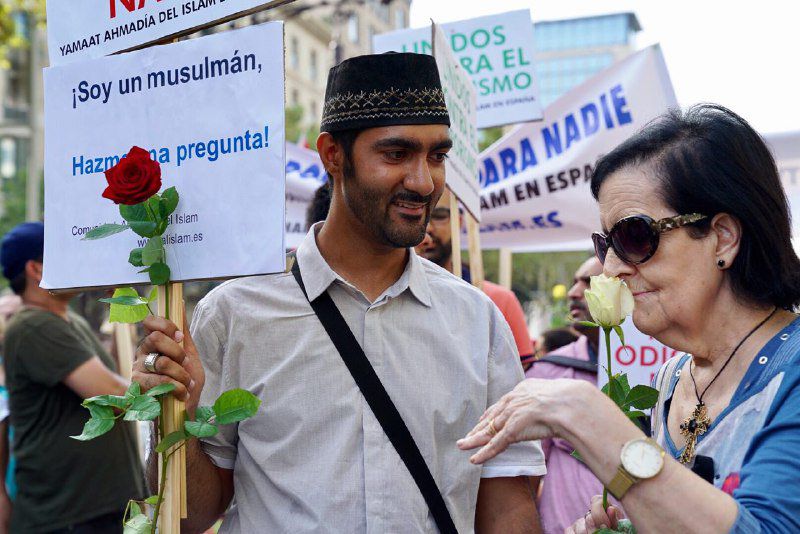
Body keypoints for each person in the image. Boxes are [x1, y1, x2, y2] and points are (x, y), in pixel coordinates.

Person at [134, 52, 545, 533]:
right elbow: (187, 519)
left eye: (436, 156)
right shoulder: (234, 315)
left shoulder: (477, 320)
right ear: (333, 155)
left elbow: (507, 504)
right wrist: (175, 418)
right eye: (396, 154)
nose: (423, 181)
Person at [458, 104, 800, 533]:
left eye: (634, 236)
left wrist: (585, 413)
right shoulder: (673, 377)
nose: (612, 267)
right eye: (606, 245)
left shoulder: (792, 369)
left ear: (722, 237)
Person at [0, 222, 145, 532]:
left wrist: (122, 304)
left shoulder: (69, 321)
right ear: (36, 268)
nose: (80, 262)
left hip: (90, 513)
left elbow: (121, 377)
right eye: (67, 254)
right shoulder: (34, 326)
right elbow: (118, 398)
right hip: (69, 518)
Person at [524, 257, 620, 533]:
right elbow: (526, 473)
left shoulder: (663, 370)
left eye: (590, 283)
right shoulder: (547, 372)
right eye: (575, 282)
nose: (574, 292)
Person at [416, 197, 535, 366]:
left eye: (439, 215)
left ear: (459, 222)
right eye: (415, 212)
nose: (427, 228)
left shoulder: (498, 300)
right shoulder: (385, 296)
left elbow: (521, 375)